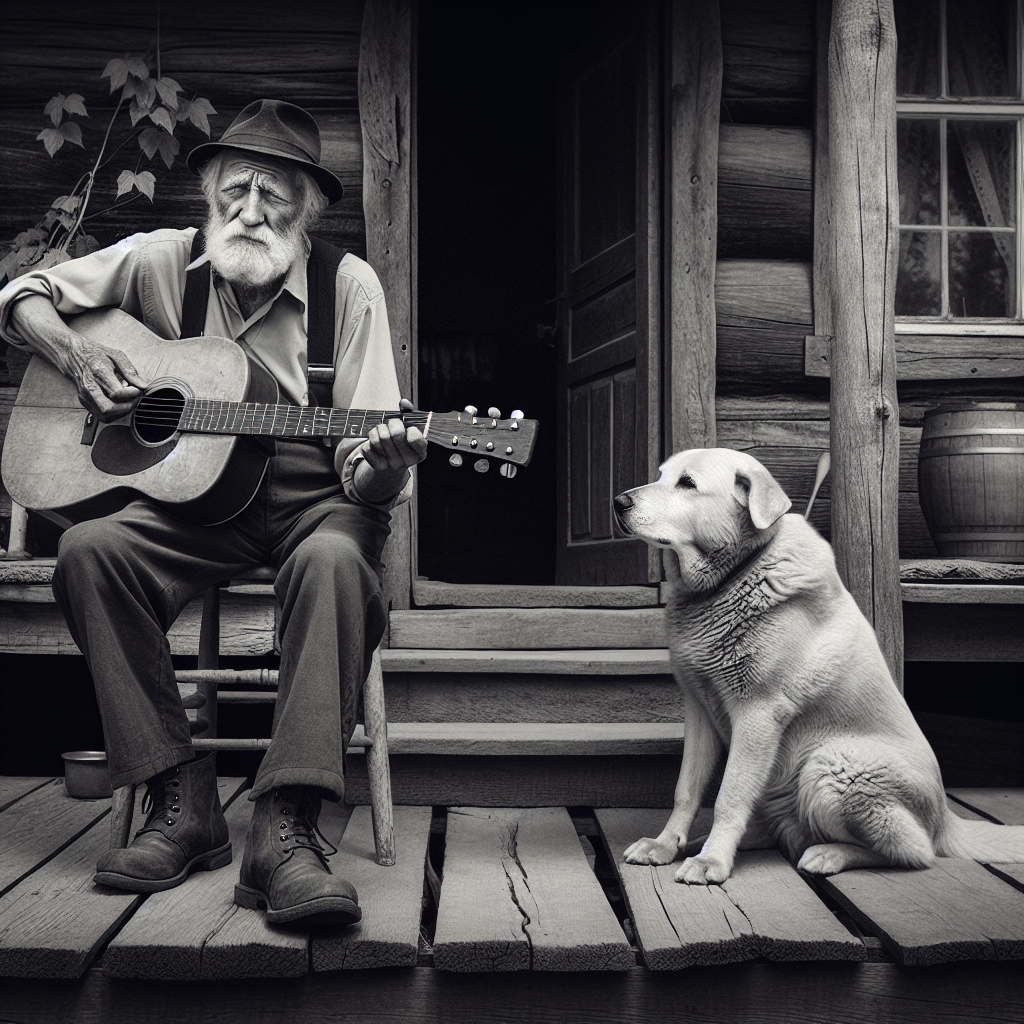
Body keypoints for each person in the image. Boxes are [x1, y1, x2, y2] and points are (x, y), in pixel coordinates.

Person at [0, 99, 426, 927]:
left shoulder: (349, 287)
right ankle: (177, 796)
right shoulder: (160, 259)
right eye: (237, 190)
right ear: (209, 192)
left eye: (275, 196)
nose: (252, 211)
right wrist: (76, 351)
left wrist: (381, 466)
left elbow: (372, 486)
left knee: (339, 564)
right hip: (193, 498)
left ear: (308, 209)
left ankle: (287, 827)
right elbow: (21, 294)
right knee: (91, 549)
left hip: (316, 498)